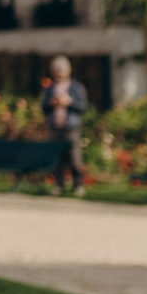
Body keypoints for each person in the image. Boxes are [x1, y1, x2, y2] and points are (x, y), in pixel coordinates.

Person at [42, 54, 90, 197]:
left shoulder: (76, 87)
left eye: (61, 71)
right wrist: (51, 103)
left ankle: (78, 185)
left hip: (71, 127)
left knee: (74, 157)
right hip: (55, 126)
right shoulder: (50, 88)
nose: (59, 75)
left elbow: (83, 106)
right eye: (57, 72)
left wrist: (69, 102)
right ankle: (59, 184)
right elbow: (43, 106)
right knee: (57, 158)